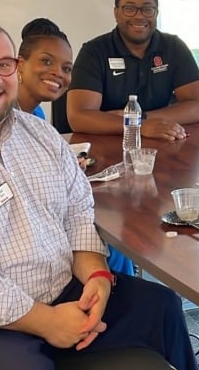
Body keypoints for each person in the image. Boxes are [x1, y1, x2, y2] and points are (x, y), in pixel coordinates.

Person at [0, 15, 199, 370]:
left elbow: (77, 214)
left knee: (161, 308)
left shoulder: (41, 136)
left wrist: (97, 277)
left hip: (63, 294)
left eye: (3, 64)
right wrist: (48, 322)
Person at [17, 17, 135, 276]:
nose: (58, 72)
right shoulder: (6, 118)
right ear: (19, 65)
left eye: (67, 67)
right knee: (111, 242)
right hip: (31, 243)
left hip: (52, 218)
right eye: (46, 61)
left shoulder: (35, 113)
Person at [67, 0, 199, 140]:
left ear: (156, 13)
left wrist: (142, 119)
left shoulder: (173, 47)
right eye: (130, 8)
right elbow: (78, 117)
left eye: (147, 9)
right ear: (116, 13)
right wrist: (136, 127)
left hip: (163, 141)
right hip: (108, 144)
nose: (139, 16)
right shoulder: (94, 52)